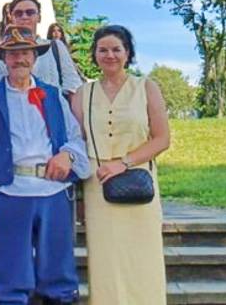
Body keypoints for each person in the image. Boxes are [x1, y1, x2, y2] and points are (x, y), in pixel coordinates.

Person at [0, 25, 90, 305]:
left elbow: (76, 138)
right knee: (10, 271)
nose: (19, 60)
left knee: (58, 270)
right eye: (12, 54)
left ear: (35, 57)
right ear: (4, 59)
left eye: (25, 53)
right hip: (10, 191)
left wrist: (68, 156)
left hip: (51, 191)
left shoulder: (53, 96)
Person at [70, 25, 170, 304]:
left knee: (143, 260)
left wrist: (123, 163)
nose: (110, 55)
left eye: (116, 49)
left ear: (128, 53)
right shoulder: (82, 94)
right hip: (97, 190)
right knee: (106, 264)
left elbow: (162, 139)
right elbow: (75, 144)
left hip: (139, 184)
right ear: (95, 55)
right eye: (103, 50)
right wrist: (78, 194)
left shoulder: (146, 87)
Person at [2, 0, 81, 98]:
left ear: (39, 17)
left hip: (51, 109)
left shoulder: (55, 46)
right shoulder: (3, 51)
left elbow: (72, 85)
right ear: (11, 18)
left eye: (30, 12)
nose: (24, 17)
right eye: (18, 13)